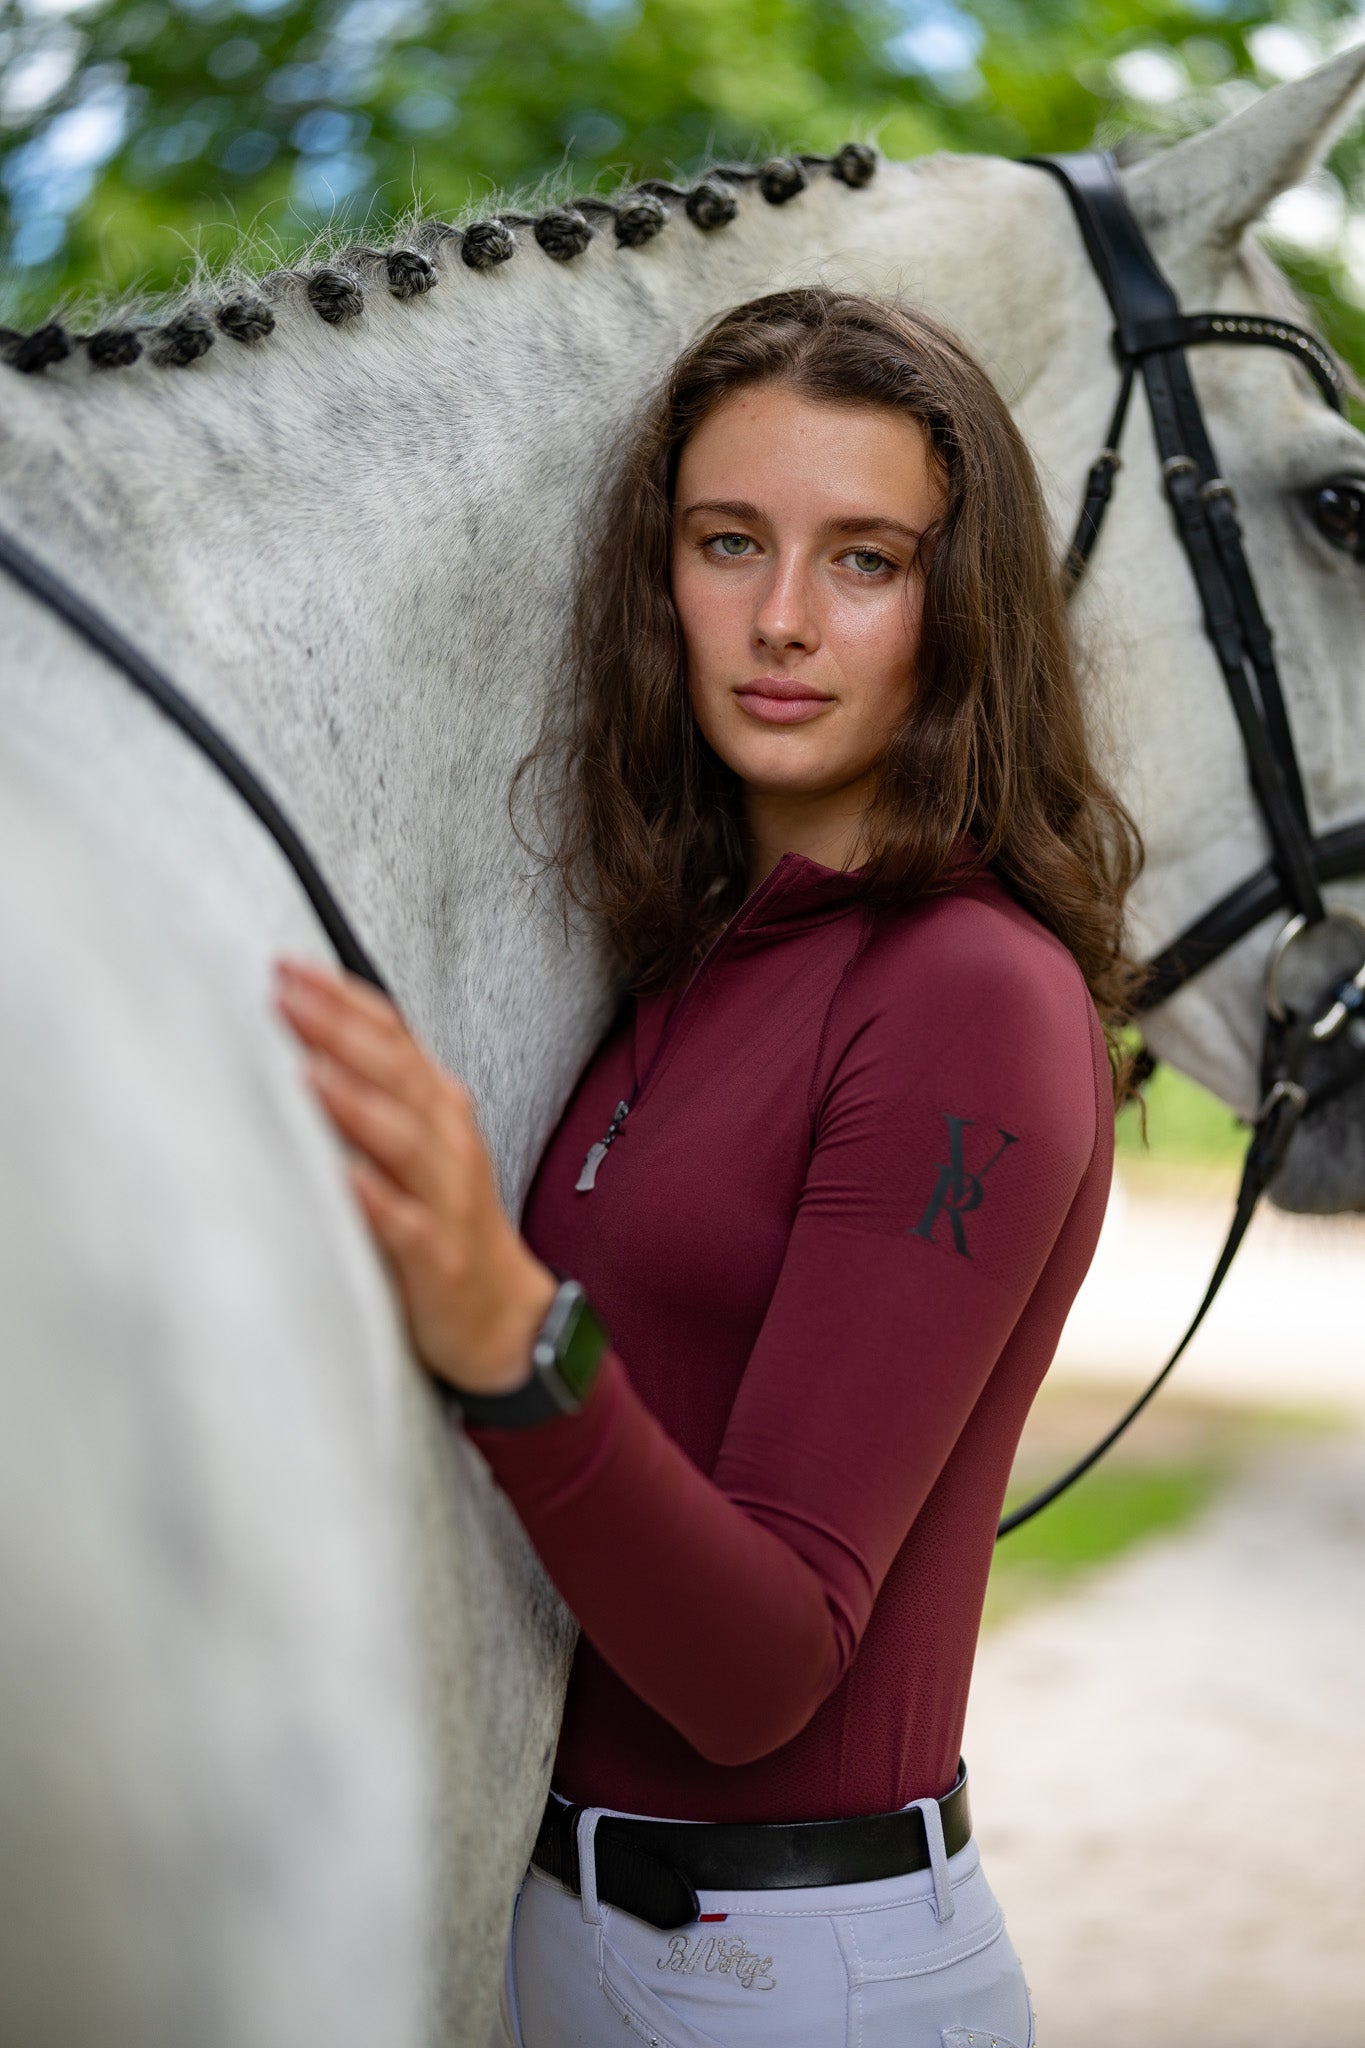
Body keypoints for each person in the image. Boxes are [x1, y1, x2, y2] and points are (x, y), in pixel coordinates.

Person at [274, 286, 1146, 2048]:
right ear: (656, 575)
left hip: (790, 1976)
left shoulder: (967, 994)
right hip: (569, 1932)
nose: (781, 618)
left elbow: (760, 1672)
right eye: (728, 541)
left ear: (962, 609)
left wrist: (509, 1331)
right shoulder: (688, 961)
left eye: (864, 561)